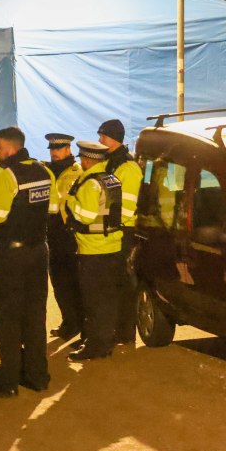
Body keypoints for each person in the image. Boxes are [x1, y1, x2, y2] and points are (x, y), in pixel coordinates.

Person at [0, 127, 55, 398]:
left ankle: (8, 379)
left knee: (9, 318)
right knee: (35, 315)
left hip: (11, 256)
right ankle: (37, 376)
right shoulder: (43, 171)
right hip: (38, 251)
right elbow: (54, 208)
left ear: (10, 148)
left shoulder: (5, 174)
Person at [65, 141, 125, 362]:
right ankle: (105, 341)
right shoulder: (111, 179)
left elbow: (86, 215)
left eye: (82, 159)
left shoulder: (91, 184)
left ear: (88, 160)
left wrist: (70, 202)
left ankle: (95, 346)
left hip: (93, 249)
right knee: (108, 299)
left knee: (94, 300)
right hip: (112, 246)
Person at [97, 119, 144, 347]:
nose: (100, 140)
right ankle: (118, 328)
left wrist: (112, 223)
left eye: (103, 137)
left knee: (124, 282)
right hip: (111, 230)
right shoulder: (110, 164)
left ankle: (126, 331)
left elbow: (127, 206)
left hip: (123, 231)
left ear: (114, 138)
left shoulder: (128, 167)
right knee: (112, 283)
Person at [44, 133, 84, 341]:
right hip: (52, 233)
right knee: (59, 281)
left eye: (58, 149)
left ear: (68, 149)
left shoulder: (77, 172)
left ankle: (78, 323)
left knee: (73, 281)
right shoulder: (48, 171)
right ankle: (68, 321)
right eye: (51, 149)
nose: (54, 153)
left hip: (70, 233)